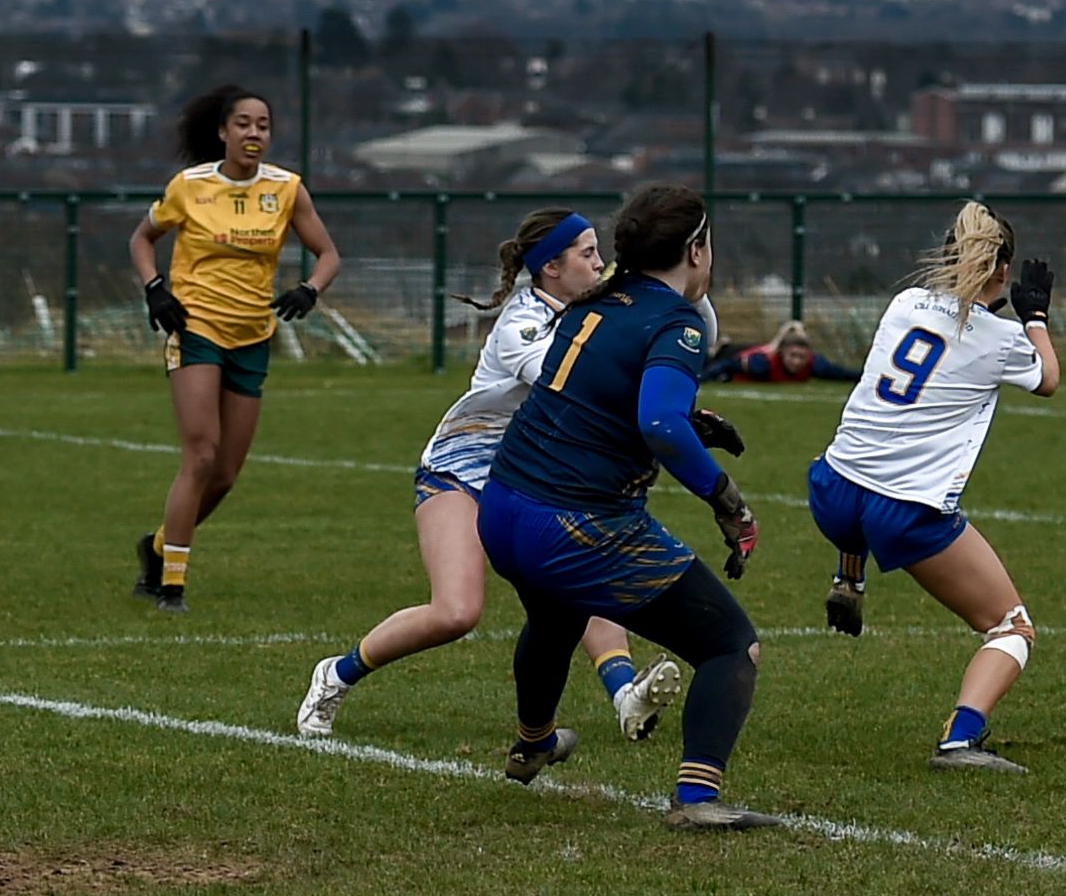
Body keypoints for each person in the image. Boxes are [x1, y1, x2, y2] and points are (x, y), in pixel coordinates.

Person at [296, 207, 706, 740]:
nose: (601, 263)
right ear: (551, 269)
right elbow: (575, 383)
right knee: (456, 612)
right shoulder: (523, 324)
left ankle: (625, 695)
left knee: (587, 577)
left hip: (541, 479)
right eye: (587, 254)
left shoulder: (597, 310)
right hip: (465, 471)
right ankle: (336, 674)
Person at [476, 183, 779, 830]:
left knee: (555, 619)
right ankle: (697, 799)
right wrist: (727, 501)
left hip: (503, 506)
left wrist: (691, 421)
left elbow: (598, 399)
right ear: (695, 250)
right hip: (574, 522)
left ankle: (532, 743)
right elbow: (658, 425)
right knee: (730, 645)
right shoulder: (676, 321)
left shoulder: (594, 303)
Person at [806, 202, 1061, 772]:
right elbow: (1048, 379)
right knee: (1012, 627)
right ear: (1002, 270)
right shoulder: (999, 337)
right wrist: (1037, 316)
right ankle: (960, 740)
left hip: (831, 488)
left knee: (866, 478)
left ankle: (849, 576)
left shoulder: (903, 305)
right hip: (903, 512)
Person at [130, 84, 342, 612]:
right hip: (197, 327)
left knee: (224, 475)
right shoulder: (190, 186)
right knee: (200, 455)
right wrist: (155, 288)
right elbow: (141, 240)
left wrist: (309, 288)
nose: (254, 134)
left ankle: (157, 547)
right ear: (223, 132)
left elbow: (329, 254)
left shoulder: (287, 189)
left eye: (263, 125)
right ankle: (171, 586)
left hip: (254, 334)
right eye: (243, 124)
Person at [704, 320, 859, 384]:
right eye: (793, 356)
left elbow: (842, 373)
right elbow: (727, 364)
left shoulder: (815, 365)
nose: (797, 362)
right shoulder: (763, 363)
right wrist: (704, 378)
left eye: (802, 357)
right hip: (724, 353)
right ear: (783, 353)